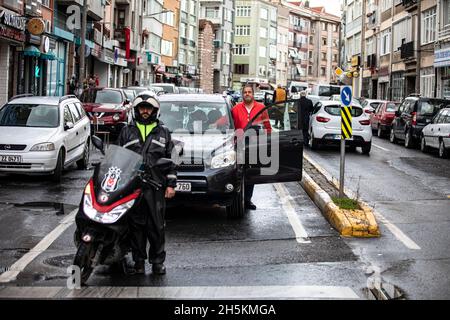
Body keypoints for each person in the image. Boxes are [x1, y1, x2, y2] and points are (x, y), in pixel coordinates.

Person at [117, 92, 177, 275]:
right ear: (136, 110)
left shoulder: (163, 132)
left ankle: (158, 262)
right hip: (133, 187)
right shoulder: (126, 131)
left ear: (154, 110)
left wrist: (171, 185)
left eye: (148, 108)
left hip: (155, 186)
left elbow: (172, 160)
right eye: (142, 108)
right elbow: (117, 157)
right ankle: (139, 262)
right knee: (136, 226)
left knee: (156, 227)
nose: (145, 111)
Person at [231, 84, 272, 210]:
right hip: (239, 144)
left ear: (253, 94)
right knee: (238, 172)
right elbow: (227, 122)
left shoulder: (261, 108)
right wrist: (214, 124)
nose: (247, 94)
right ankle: (235, 198)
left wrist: (269, 141)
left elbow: (267, 125)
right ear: (242, 94)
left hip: (255, 145)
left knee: (251, 173)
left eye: (249, 92)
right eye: (245, 92)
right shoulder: (236, 108)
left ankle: (248, 200)